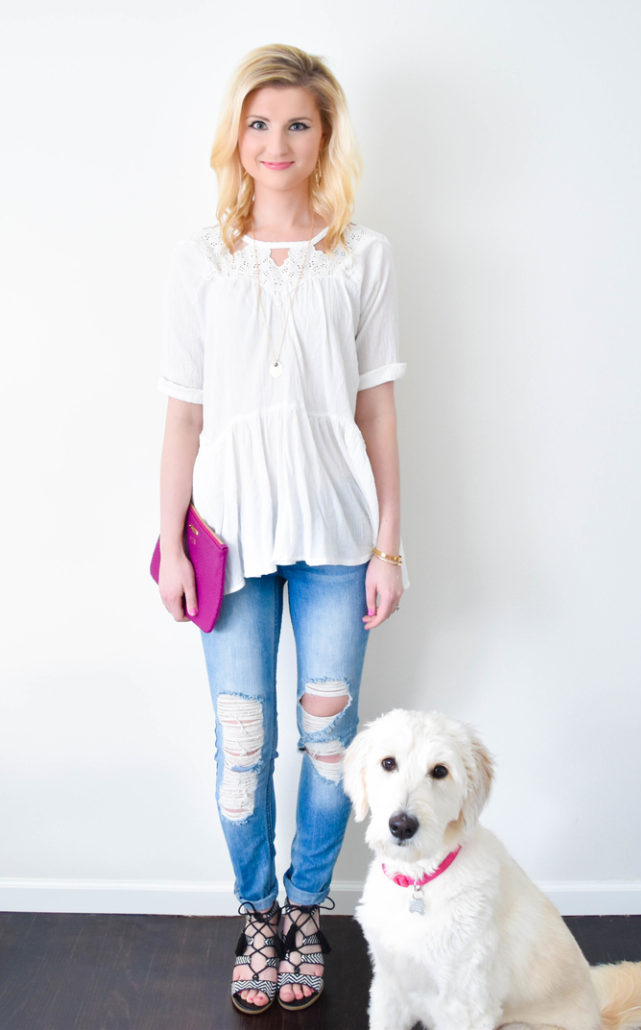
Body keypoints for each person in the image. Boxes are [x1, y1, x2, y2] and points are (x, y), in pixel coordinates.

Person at [156, 44, 404, 1015]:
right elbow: (182, 412)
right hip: (227, 533)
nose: (276, 141)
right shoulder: (202, 259)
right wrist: (170, 540)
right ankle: (255, 914)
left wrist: (390, 543)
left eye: (297, 123)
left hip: (341, 537)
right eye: (258, 122)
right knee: (242, 740)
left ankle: (309, 907)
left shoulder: (363, 255)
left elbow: (378, 408)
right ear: (236, 135)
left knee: (331, 739)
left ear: (324, 136)